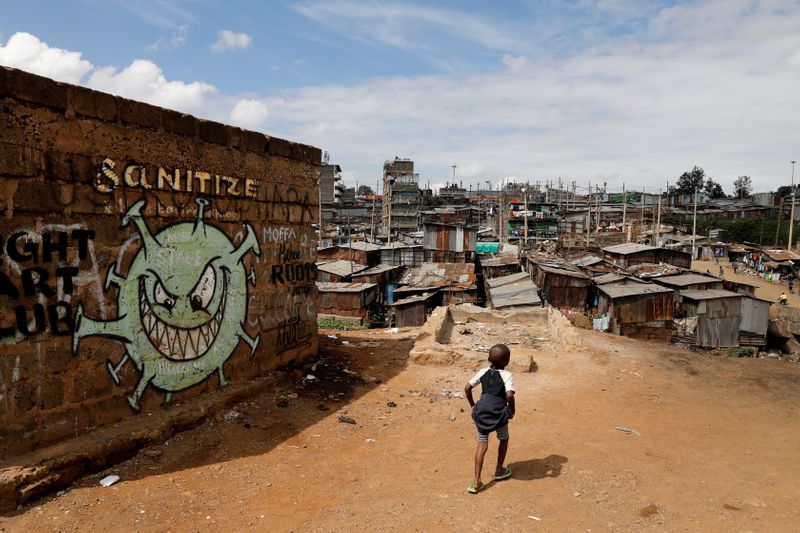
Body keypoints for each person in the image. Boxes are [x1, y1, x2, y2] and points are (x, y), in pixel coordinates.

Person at [464, 344, 516, 494]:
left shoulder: (483, 371)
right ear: (507, 361)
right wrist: (512, 410)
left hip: (482, 413)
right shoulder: (507, 375)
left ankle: (476, 482)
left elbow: (467, 388)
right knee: (503, 438)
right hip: (499, 414)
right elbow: (509, 395)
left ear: (488, 358)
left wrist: (473, 405)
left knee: (481, 445)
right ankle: (499, 470)